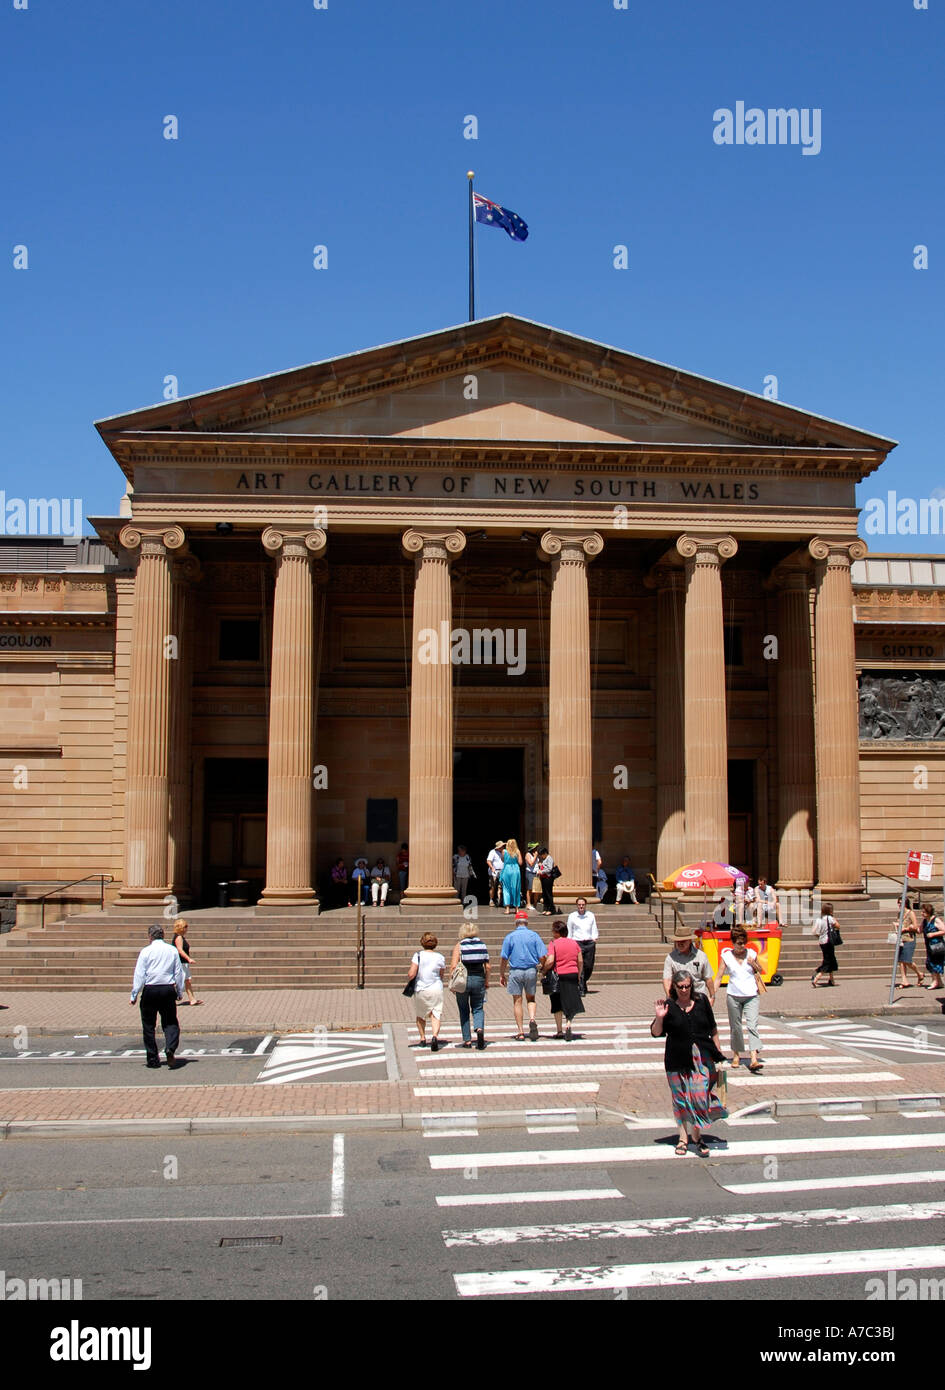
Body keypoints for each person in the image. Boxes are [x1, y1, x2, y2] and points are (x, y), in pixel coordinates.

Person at [650, 971, 728, 1157]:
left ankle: (697, 1135)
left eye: (687, 986)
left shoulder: (701, 1001)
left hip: (701, 1057)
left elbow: (713, 1028)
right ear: (674, 988)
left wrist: (719, 1056)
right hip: (676, 1059)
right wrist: (660, 1017)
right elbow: (655, 1032)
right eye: (680, 987)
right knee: (680, 1099)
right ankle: (683, 1138)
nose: (684, 990)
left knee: (700, 1096)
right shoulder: (669, 1005)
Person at [129, 923, 185, 1069]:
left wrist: (134, 994)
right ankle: (170, 1048)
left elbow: (140, 974)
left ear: (150, 937)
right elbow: (178, 972)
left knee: (148, 1025)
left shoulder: (146, 951)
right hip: (167, 989)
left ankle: (153, 1058)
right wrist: (180, 991)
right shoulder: (172, 950)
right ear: (163, 936)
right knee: (170, 1022)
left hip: (150, 989)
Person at [714, 924, 764, 1072]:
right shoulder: (727, 956)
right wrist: (712, 993)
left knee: (752, 1025)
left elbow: (761, 970)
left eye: (743, 943)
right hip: (733, 995)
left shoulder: (752, 953)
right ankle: (736, 1054)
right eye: (738, 943)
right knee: (735, 1027)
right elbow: (719, 976)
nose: (741, 946)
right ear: (733, 942)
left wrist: (753, 963)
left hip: (751, 995)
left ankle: (753, 1058)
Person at [499, 908, 546, 1041]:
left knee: (517, 1001)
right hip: (531, 970)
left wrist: (502, 974)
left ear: (516, 922)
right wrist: (544, 967)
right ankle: (532, 1019)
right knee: (531, 998)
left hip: (516, 971)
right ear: (526, 922)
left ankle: (520, 1031)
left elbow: (504, 957)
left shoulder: (510, 937)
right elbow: (542, 955)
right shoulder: (534, 935)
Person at [540, 920, 585, 1040]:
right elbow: (580, 960)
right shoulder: (574, 943)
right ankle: (569, 1025)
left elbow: (550, 961)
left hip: (559, 976)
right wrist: (578, 974)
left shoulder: (553, 944)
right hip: (572, 974)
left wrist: (544, 971)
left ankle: (559, 1031)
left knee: (557, 1003)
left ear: (556, 932)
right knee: (570, 1001)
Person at [450, 922, 490, 1049]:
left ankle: (467, 1040)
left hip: (463, 980)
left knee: (463, 1009)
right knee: (478, 1007)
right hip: (479, 978)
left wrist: (452, 982)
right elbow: (488, 966)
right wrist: (486, 981)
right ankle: (479, 1028)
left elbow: (453, 965)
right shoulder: (482, 945)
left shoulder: (460, 945)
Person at [406, 933, 446, 1050]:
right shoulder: (440, 957)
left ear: (422, 943)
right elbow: (441, 974)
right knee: (436, 1014)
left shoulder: (418, 955)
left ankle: (423, 1038)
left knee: (420, 1015)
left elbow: (411, 974)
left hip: (421, 988)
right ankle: (434, 1036)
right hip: (436, 988)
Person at [663, 922, 715, 1002]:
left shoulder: (701, 956)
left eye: (683, 941)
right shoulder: (670, 958)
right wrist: (670, 998)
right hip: (678, 998)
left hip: (698, 997)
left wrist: (712, 996)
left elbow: (708, 978)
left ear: (690, 940)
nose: (680, 943)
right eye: (677, 941)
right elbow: (667, 980)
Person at [567, 896, 599, 995]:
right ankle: (581, 988)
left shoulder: (590, 915)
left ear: (585, 905)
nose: (581, 906)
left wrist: (594, 938)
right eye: (579, 905)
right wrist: (570, 941)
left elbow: (594, 927)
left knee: (588, 965)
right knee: (580, 964)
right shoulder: (572, 916)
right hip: (577, 942)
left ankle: (583, 982)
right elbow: (569, 929)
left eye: (583, 905)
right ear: (577, 905)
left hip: (589, 942)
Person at [172, 917, 202, 1006]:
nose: (186, 929)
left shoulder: (180, 937)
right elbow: (180, 950)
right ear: (181, 927)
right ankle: (172, 998)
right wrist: (189, 958)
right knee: (179, 981)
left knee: (187, 981)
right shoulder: (179, 937)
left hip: (183, 962)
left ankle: (192, 999)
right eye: (185, 927)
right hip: (181, 963)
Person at [896, 897, 924, 988]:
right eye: (898, 903)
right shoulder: (900, 914)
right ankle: (904, 980)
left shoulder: (910, 913)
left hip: (909, 938)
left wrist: (906, 929)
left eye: (901, 903)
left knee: (907, 960)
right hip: (901, 938)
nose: (900, 905)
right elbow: (899, 923)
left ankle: (919, 973)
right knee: (900, 960)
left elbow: (916, 926)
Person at [811, 901, 840, 986]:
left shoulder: (819, 919)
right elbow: (838, 926)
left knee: (830, 959)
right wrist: (835, 920)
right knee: (828, 961)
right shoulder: (830, 918)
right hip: (828, 941)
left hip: (822, 941)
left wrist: (820, 936)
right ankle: (816, 977)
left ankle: (831, 979)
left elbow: (814, 931)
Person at [920, 902, 945, 990]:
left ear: (928, 911)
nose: (922, 913)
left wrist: (933, 934)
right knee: (931, 962)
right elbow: (920, 929)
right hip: (929, 945)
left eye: (923, 912)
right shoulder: (925, 921)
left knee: (934, 963)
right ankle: (940, 982)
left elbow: (944, 930)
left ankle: (934, 981)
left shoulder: (936, 920)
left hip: (936, 945)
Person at [500, 838, 523, 915]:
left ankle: (507, 909)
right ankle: (516, 909)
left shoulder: (504, 851)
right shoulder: (517, 851)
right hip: (515, 870)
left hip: (507, 870)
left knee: (506, 889)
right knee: (516, 888)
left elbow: (503, 860)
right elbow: (520, 863)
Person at [537, 845, 558, 915]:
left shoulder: (549, 858)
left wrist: (541, 871)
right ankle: (545, 908)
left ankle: (551, 909)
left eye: (542, 854)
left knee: (548, 894)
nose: (541, 856)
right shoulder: (544, 859)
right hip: (543, 878)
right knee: (544, 894)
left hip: (548, 878)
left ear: (545, 853)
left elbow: (549, 868)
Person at [487, 840, 505, 907]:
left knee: (500, 887)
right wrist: (492, 868)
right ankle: (491, 900)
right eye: (502, 846)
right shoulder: (492, 852)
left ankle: (500, 900)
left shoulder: (504, 852)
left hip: (502, 872)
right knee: (493, 886)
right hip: (494, 872)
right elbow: (488, 861)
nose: (503, 847)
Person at [524, 843, 540, 911]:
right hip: (530, 873)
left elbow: (536, 863)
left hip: (536, 873)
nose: (537, 849)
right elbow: (531, 863)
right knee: (530, 889)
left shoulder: (535, 854)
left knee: (537, 889)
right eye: (535, 847)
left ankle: (535, 903)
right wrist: (536, 856)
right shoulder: (528, 854)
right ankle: (529, 904)